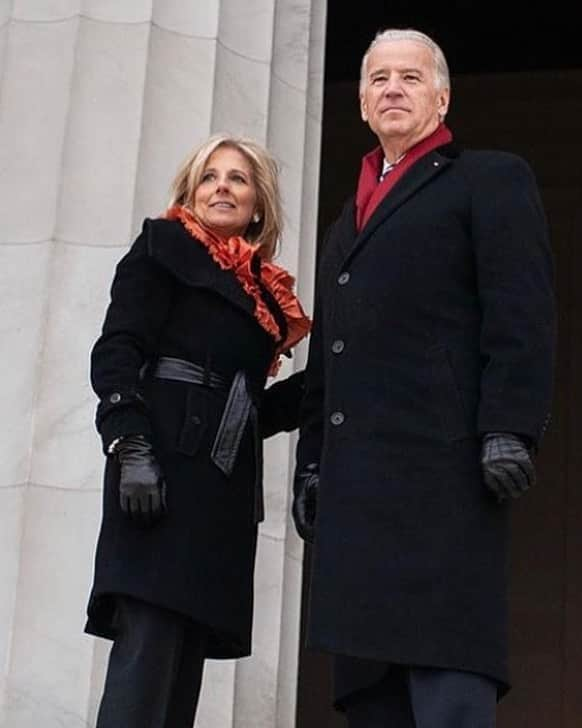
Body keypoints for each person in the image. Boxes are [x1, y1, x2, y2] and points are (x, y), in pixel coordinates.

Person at [292, 28, 555, 728]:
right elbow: (332, 360)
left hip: (443, 480)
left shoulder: (489, 177)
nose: (393, 89)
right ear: (361, 103)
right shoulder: (347, 222)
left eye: (411, 77)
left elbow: (520, 311)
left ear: (442, 96)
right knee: (372, 698)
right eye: (379, 79)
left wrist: (510, 426)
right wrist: (311, 464)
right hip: (356, 499)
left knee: (447, 687)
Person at [86, 133, 310, 727]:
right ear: (191, 190)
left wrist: (336, 377)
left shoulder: (263, 290)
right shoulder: (162, 247)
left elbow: (247, 407)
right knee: (143, 675)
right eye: (209, 176)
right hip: (156, 479)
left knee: (179, 687)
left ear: (258, 202)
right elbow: (117, 349)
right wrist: (129, 444)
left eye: (237, 178)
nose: (222, 187)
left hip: (218, 498)